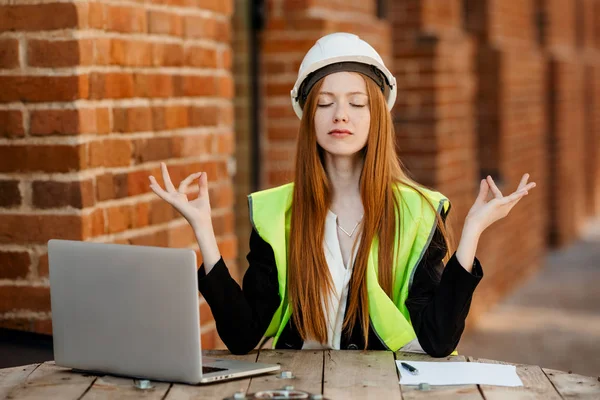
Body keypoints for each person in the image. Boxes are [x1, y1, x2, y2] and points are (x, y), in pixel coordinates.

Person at [149, 33, 536, 356]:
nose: (341, 115)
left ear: (378, 115)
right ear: (308, 116)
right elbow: (243, 336)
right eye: (325, 103)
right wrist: (203, 229)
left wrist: (471, 232)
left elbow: (437, 340)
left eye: (357, 103)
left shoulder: (419, 212)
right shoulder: (275, 212)